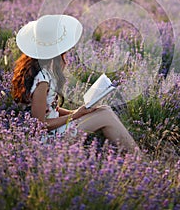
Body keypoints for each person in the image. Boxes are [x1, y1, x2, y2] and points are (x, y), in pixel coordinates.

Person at [12, 14, 139, 154]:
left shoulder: (44, 71)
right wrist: (75, 115)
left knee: (105, 110)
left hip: (56, 131)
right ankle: (139, 160)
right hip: (49, 141)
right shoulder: (41, 80)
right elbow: (39, 125)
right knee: (106, 115)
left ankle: (130, 157)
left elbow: (51, 109)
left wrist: (79, 111)